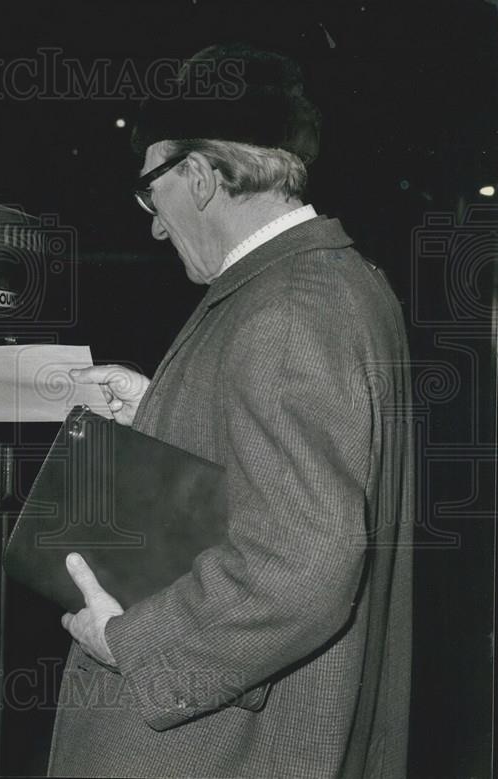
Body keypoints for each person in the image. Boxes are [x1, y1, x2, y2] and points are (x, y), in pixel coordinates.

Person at [53, 43, 413, 777]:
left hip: (220, 749)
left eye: (152, 194)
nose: (154, 225)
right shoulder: (339, 282)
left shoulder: (284, 310)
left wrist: (130, 639)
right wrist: (164, 407)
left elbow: (300, 563)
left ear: (197, 175)